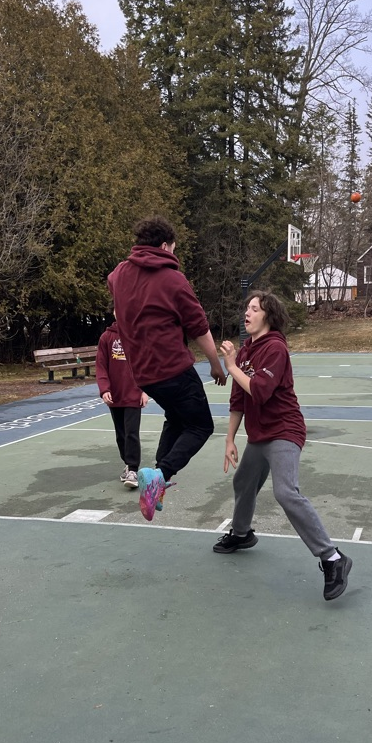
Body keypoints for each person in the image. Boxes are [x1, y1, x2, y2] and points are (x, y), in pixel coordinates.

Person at [214, 290, 353, 602]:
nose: (246, 313)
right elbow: (239, 399)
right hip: (259, 434)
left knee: (285, 492)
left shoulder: (275, 347)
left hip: (284, 430)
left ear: (268, 316)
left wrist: (231, 364)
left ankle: (332, 558)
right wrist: (229, 439)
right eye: (246, 308)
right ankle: (241, 534)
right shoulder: (248, 350)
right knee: (243, 482)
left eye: (254, 309)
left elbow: (260, 391)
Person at [107, 215, 227, 521]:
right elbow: (198, 327)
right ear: (164, 246)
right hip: (173, 369)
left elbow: (113, 283)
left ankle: (155, 482)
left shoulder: (119, 274)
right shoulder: (173, 279)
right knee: (201, 425)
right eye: (172, 249)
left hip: (144, 375)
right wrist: (216, 364)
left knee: (176, 416)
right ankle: (161, 474)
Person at [96, 315, 149, 489]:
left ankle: (133, 469)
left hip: (133, 393)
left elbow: (145, 364)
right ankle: (127, 464)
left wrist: (144, 391)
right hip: (115, 395)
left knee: (131, 432)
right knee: (121, 435)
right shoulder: (106, 337)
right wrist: (105, 389)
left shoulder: (137, 335)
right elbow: (101, 366)